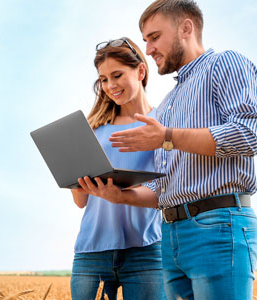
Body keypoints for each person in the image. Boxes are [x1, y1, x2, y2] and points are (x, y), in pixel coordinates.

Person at [78, 1, 257, 299]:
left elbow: (249, 134)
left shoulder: (224, 64)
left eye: (154, 37)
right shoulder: (166, 105)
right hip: (171, 237)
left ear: (186, 28)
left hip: (216, 226)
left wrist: (167, 137)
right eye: (146, 41)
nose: (149, 49)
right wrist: (121, 196)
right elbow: (161, 190)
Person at [70, 37, 165, 300]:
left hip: (147, 251)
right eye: (103, 79)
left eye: (117, 75)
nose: (110, 85)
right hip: (92, 252)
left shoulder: (162, 124)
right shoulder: (93, 128)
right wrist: (76, 177)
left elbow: (171, 190)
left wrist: (125, 192)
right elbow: (80, 201)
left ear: (141, 71)